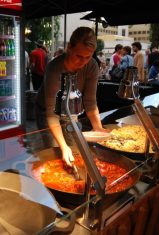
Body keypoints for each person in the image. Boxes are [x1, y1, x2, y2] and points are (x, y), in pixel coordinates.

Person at [35, 27, 109, 166]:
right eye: (79, 56)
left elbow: (90, 102)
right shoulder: (54, 68)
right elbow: (51, 115)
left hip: (71, 109)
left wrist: (98, 127)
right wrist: (63, 147)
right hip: (47, 111)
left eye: (88, 57)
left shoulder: (92, 66)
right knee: (56, 153)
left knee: (75, 148)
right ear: (69, 47)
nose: (83, 62)